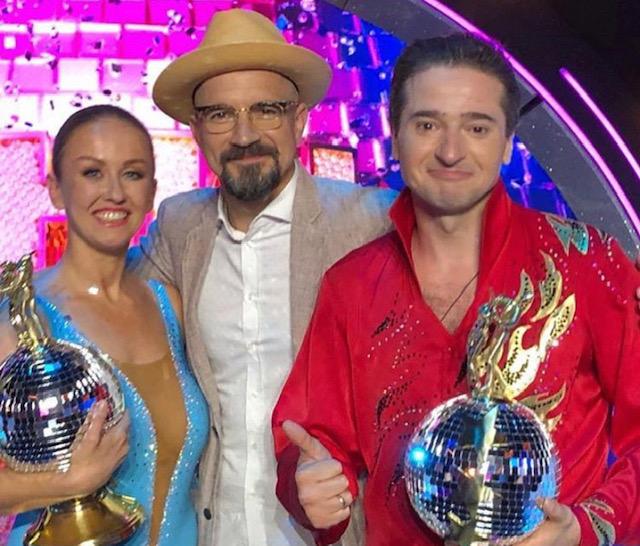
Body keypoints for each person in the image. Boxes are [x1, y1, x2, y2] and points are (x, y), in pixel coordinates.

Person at [272, 34, 640, 546]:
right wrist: (307, 488)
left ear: (507, 142)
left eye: (477, 127)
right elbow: (311, 443)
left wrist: (587, 526)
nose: (450, 151)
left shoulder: (586, 262)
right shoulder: (351, 285)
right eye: (427, 125)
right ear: (395, 135)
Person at [129, 7, 396, 546]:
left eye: (266, 110)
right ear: (196, 129)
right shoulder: (180, 227)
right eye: (220, 114)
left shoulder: (369, 221)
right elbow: (108, 312)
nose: (244, 134)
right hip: (214, 529)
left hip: (334, 530)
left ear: (299, 120)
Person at [0, 105, 209, 546]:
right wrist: (67, 483)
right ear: (56, 189)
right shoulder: (20, 317)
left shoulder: (168, 304)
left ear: (152, 192)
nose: (114, 192)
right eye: (92, 173)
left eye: (132, 174)